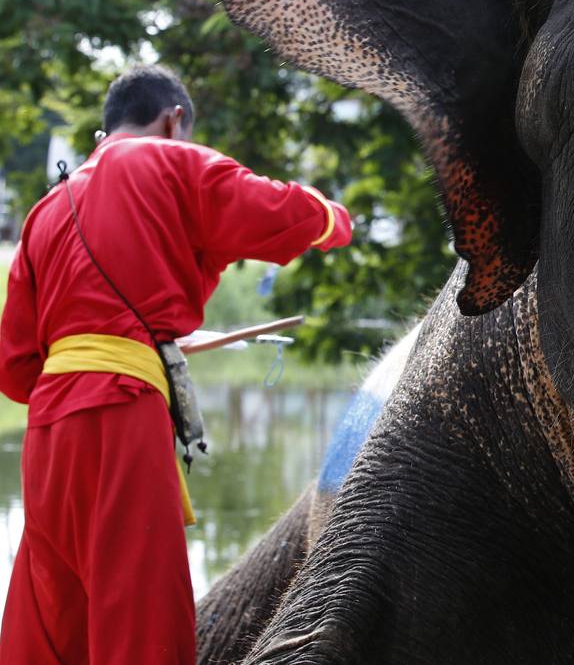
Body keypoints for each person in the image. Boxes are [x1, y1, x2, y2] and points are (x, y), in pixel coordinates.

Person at [0, 65, 353, 664]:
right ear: (174, 119)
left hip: (49, 433)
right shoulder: (168, 161)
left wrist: (121, 341)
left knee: (54, 617)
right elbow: (273, 209)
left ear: (101, 134)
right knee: (142, 613)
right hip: (121, 415)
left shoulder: (44, 214)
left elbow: (14, 369)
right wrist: (333, 218)